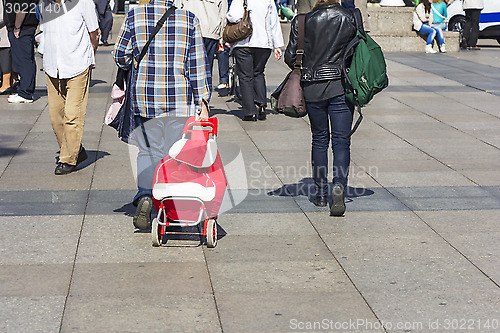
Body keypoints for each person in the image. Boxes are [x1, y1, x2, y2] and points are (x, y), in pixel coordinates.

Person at [113, 0, 212, 230]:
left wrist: (137, 59)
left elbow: (120, 56)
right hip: (179, 101)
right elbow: (197, 65)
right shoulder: (188, 19)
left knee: (148, 151)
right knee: (175, 154)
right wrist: (203, 101)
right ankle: (172, 203)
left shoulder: (134, 15)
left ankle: (146, 195)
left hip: (145, 99)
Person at [284, 0, 356, 216]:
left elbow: (290, 57)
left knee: (320, 139)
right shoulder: (349, 17)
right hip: (340, 86)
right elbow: (356, 53)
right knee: (341, 141)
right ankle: (339, 188)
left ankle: (321, 193)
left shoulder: (303, 20)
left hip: (312, 88)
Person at [39, 0, 100, 174]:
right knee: (55, 116)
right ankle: (76, 150)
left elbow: (94, 33)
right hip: (52, 66)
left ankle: (68, 159)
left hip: (78, 65)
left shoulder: (84, 2)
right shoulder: (45, 4)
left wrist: (90, 58)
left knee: (73, 115)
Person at [227, 0, 284, 121]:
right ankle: (261, 103)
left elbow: (233, 16)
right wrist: (277, 45)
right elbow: (274, 22)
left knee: (245, 77)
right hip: (264, 43)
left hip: (244, 42)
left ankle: (250, 111)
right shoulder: (268, 1)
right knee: (258, 72)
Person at [175, 0, 227, 72]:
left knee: (189, 67)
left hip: (189, 29)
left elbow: (177, 8)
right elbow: (223, 15)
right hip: (211, 31)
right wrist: (221, 39)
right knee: (207, 69)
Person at [4, 0, 38, 103]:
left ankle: (26, 93)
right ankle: (24, 91)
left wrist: (17, 26)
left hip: (23, 27)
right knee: (23, 60)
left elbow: (22, 5)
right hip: (23, 26)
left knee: (24, 61)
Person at [0, 0, 16, 94]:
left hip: (3, 34)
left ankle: (6, 84)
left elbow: (2, 17)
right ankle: (12, 81)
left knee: (5, 59)